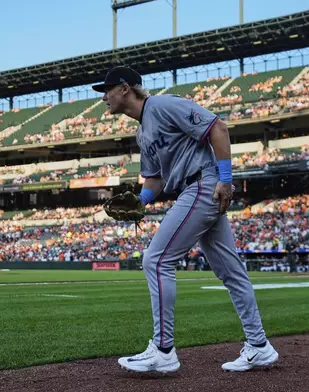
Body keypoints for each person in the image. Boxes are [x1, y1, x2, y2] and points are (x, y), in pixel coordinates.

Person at [92, 66, 278, 373]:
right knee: (231, 271)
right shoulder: (142, 131)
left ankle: (163, 350)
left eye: (106, 90)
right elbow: (154, 180)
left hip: (204, 184)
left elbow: (218, 127)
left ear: (124, 89)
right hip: (193, 188)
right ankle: (259, 345)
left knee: (156, 259)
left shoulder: (163, 106)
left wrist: (226, 179)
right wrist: (140, 201)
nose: (104, 98)